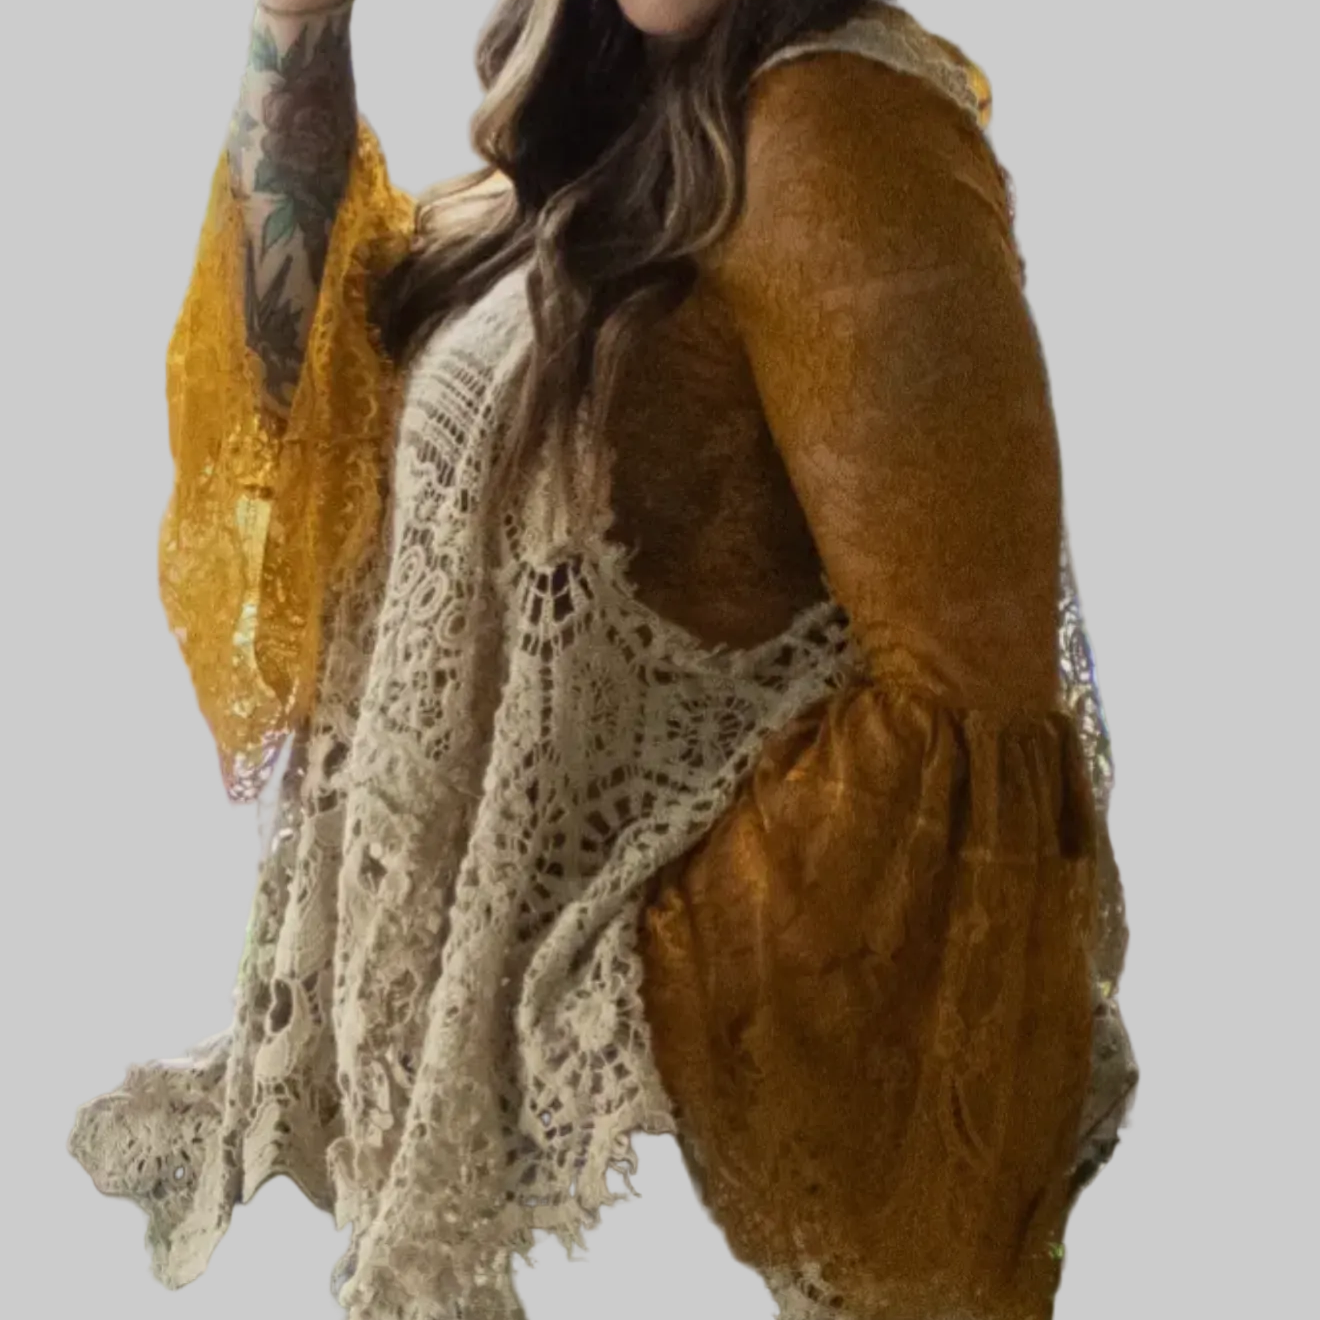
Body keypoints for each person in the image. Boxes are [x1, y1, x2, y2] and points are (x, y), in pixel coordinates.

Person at [67, 1, 1138, 1316]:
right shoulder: (609, 117)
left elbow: (975, 733)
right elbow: (312, 426)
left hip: (667, 1182)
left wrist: (598, 993)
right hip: (491, 1144)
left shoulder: (842, 126)